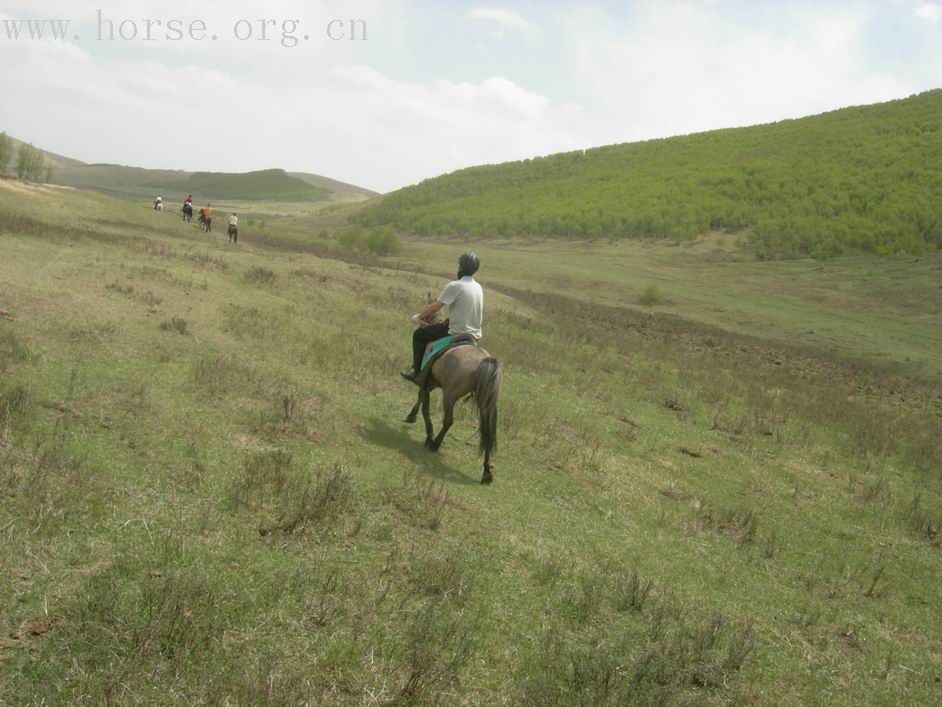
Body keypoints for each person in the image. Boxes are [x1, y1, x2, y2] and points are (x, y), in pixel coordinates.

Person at [401, 251, 483, 381]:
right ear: (475, 270)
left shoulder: (455, 285)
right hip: (475, 336)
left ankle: (417, 372)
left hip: (456, 332)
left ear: (460, 267)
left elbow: (435, 307)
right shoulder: (478, 287)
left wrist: (418, 317)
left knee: (418, 335)